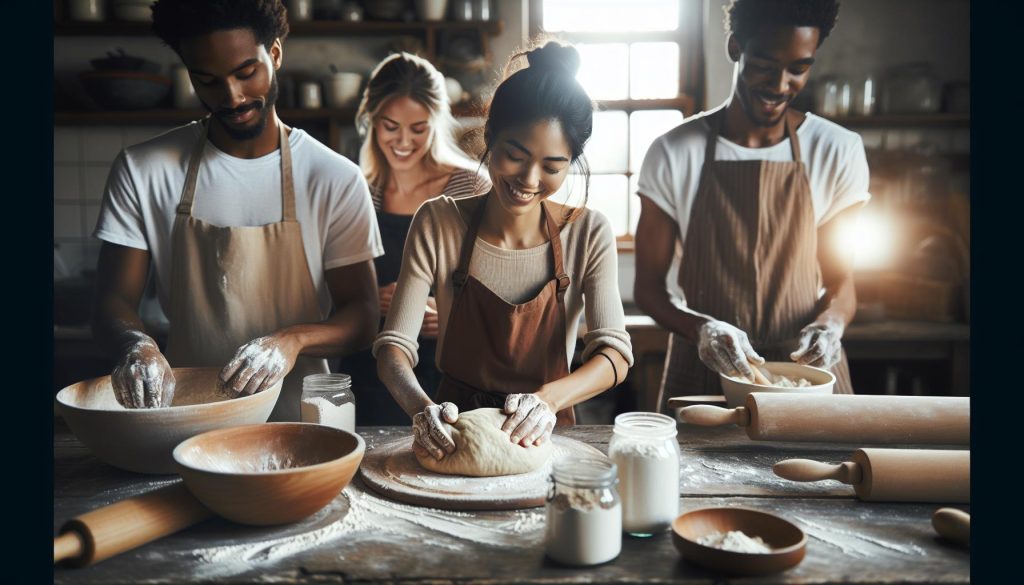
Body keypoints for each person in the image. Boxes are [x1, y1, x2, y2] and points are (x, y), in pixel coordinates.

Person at [91, 0, 383, 420]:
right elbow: (111, 302)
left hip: (301, 421)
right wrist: (136, 345)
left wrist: (289, 341)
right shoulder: (143, 169)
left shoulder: (333, 177)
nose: (231, 96)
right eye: (206, 80)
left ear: (276, 54)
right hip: (185, 419)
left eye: (246, 72)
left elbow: (362, 316)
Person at [373, 41, 634, 461]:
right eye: (515, 155)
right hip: (452, 432)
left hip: (548, 437)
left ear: (571, 162)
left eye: (552, 166)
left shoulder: (588, 231)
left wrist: (547, 400)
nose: (529, 179)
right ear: (489, 136)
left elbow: (615, 354)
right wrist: (422, 410)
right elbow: (393, 350)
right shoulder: (437, 222)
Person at [634, 0, 870, 409]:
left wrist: (830, 325)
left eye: (799, 68)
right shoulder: (672, 152)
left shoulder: (838, 149)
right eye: (764, 64)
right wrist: (703, 329)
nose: (780, 84)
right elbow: (649, 289)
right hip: (706, 369)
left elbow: (840, 281)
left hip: (807, 377)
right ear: (735, 47)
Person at [339, 52, 491, 425]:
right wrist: (368, 300)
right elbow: (327, 287)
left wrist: (454, 311)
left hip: (453, 372)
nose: (403, 141)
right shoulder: (358, 190)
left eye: (418, 128)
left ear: (438, 123)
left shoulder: (470, 186)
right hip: (371, 371)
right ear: (370, 120)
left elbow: (501, 284)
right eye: (390, 126)